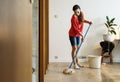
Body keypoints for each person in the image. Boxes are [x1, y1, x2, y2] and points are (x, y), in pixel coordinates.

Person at [68, 5, 92, 69]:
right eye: (76, 12)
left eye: (78, 12)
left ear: (80, 10)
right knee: (74, 48)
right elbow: (75, 29)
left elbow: (82, 20)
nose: (77, 13)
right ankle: (74, 64)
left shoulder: (81, 14)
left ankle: (77, 63)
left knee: (78, 49)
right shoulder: (73, 18)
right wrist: (82, 36)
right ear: (73, 12)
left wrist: (88, 22)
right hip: (72, 34)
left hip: (78, 34)